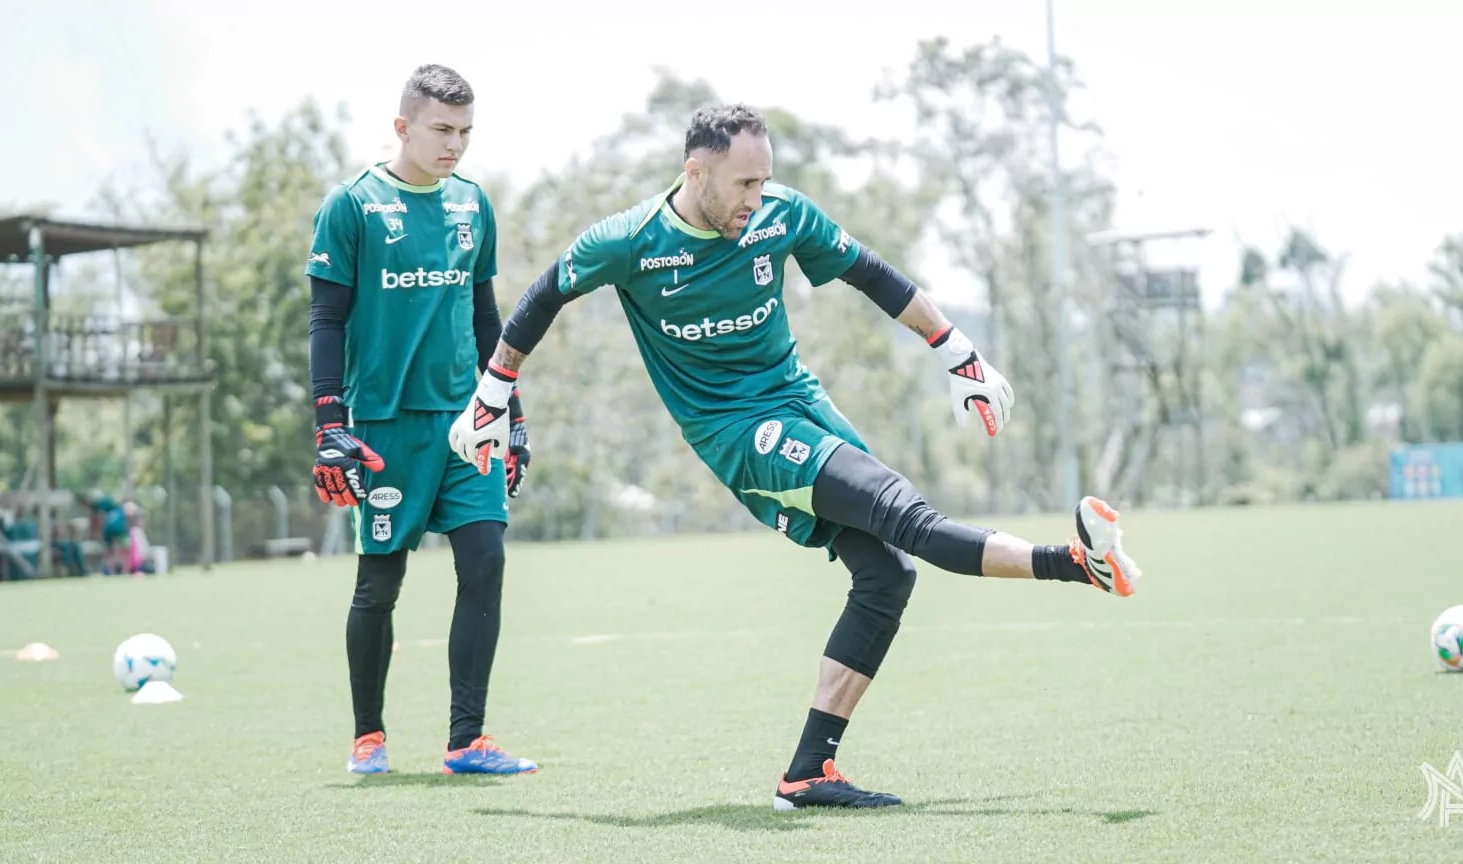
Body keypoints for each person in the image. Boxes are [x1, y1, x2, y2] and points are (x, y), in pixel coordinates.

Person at [450, 103, 1143, 809]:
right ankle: (1073, 563)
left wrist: (959, 353)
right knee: (905, 517)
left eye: (764, 181)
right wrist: (492, 393)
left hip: (802, 405)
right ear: (697, 171)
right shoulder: (629, 239)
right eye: (744, 184)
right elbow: (543, 297)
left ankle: (810, 772)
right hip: (738, 435)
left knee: (887, 574)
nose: (756, 198)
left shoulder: (782, 214)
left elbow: (874, 275)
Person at [304, 63, 537, 777]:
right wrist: (328, 421)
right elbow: (326, 321)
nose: (454, 145)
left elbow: (486, 315)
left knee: (486, 561)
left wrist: (512, 409)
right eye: (441, 129)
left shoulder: (473, 204)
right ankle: (368, 736)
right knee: (380, 583)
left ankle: (467, 741)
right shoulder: (352, 205)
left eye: (465, 132)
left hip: (467, 420)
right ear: (403, 126)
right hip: (383, 425)